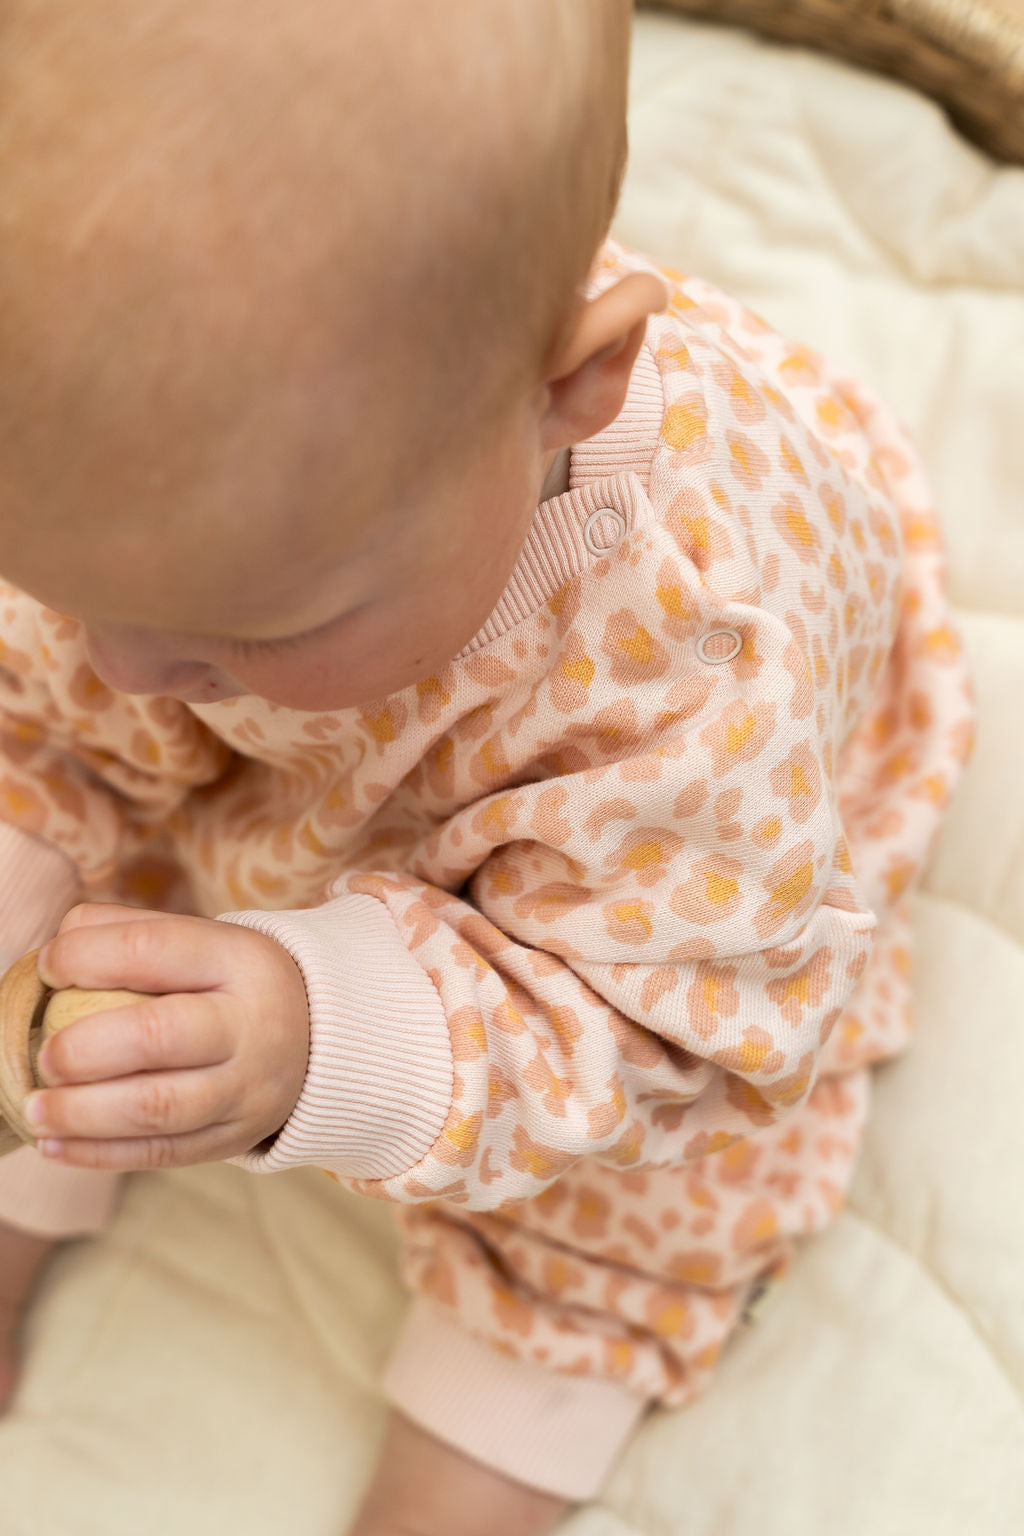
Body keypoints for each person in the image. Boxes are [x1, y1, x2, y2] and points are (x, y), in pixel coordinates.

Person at [0, 2, 975, 1532]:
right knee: (70, 920)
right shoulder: (210, 493)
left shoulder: (694, 689)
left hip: (636, 934)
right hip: (313, 758)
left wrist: (325, 1034)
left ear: (570, 393)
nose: (123, 662)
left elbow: (662, 1028)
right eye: (73, 585)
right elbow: (65, 705)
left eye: (250, 619)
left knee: (629, 1206)